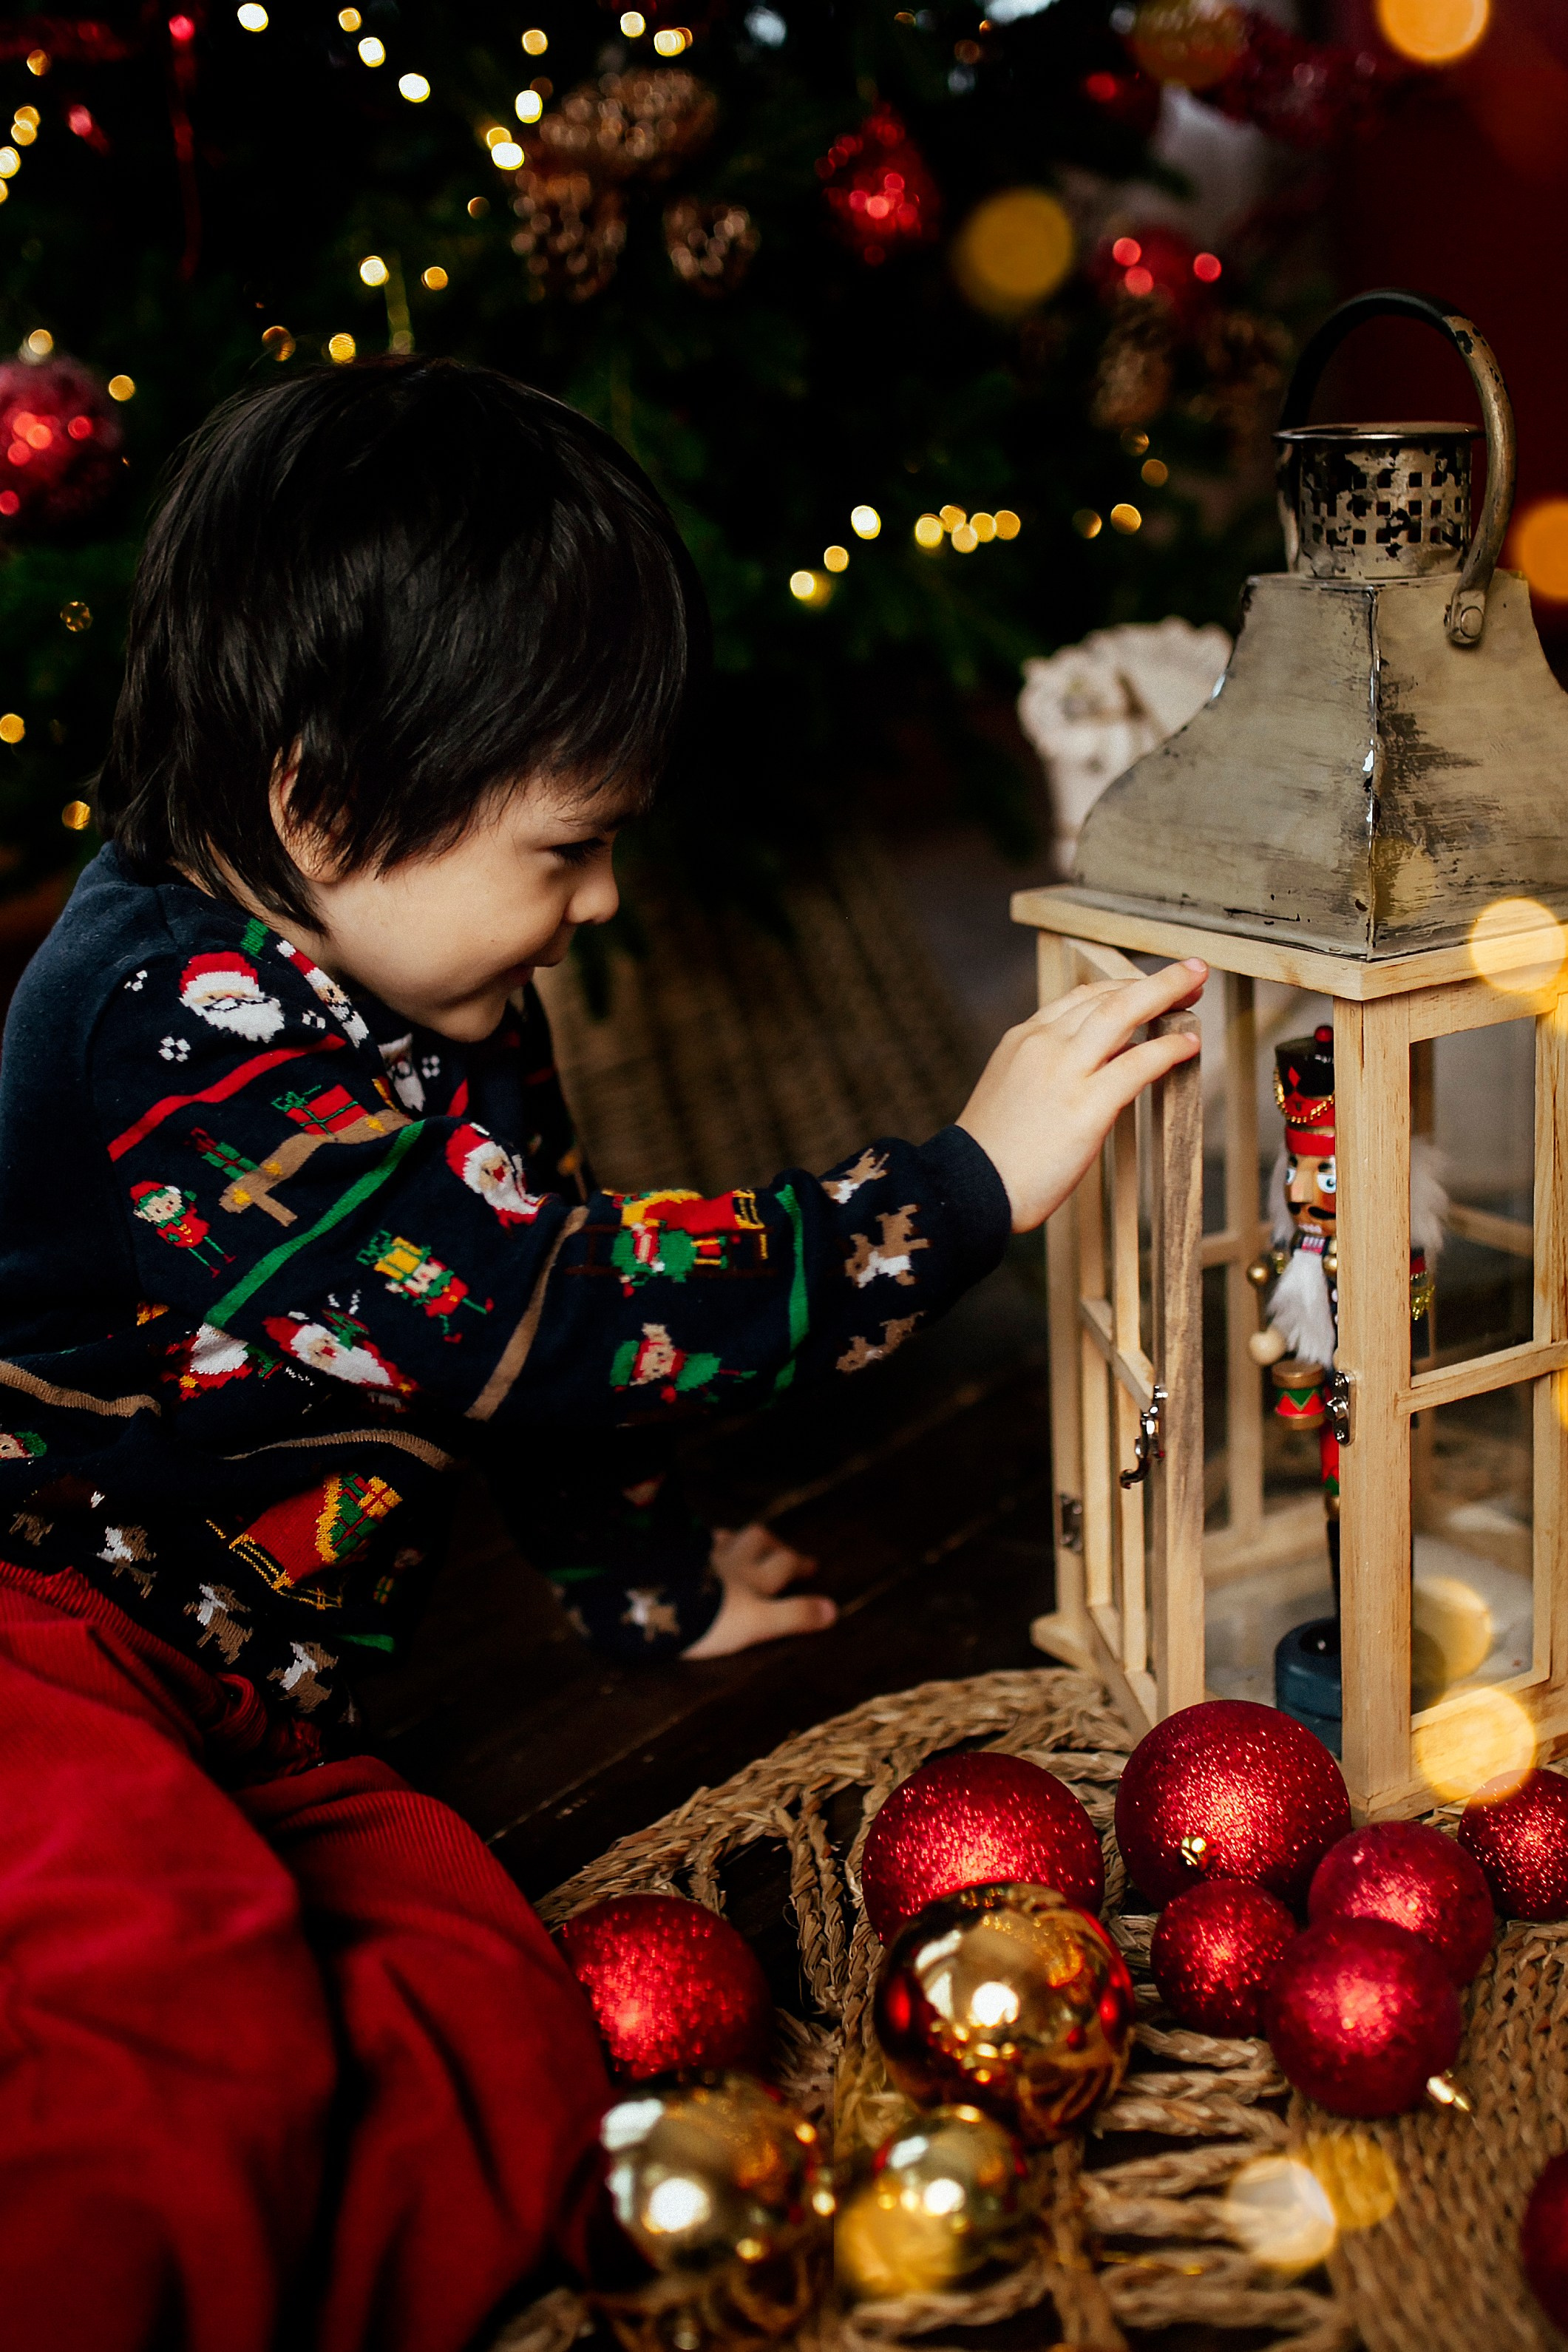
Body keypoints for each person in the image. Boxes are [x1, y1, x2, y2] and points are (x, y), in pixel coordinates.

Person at [0, 356, 1204, 2352]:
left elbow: (530, 1359)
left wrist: (643, 1582)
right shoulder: (166, 1026)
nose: (602, 900)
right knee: (162, 2023)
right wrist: (958, 1191)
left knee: (491, 2017)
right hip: (44, 1650)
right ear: (318, 797)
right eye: (564, 850)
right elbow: (542, 1316)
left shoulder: (443, 996)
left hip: (253, 1704)